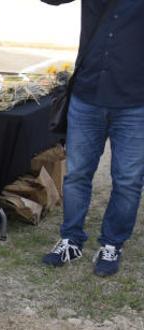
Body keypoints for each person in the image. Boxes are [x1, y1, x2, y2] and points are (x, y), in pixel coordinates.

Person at [40, 0, 144, 277]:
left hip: (136, 102)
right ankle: (71, 239)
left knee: (128, 180)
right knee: (76, 175)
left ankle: (112, 244)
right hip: (88, 95)